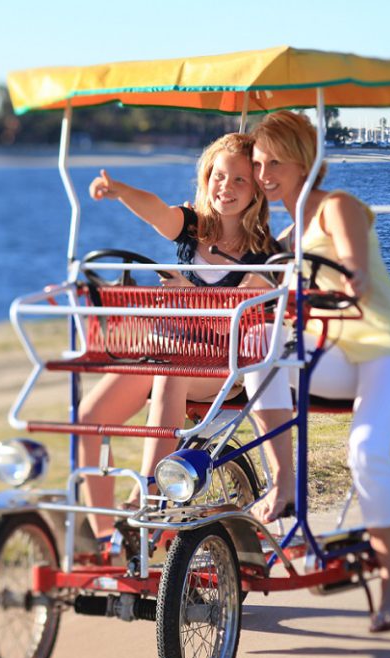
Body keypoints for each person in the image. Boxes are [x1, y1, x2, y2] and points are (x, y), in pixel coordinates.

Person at [245, 111, 390, 633]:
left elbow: (356, 268)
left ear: (305, 161)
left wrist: (350, 283)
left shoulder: (336, 208)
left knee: (365, 451)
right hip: (331, 355)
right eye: (258, 163)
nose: (263, 174)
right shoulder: (286, 235)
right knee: (258, 342)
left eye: (275, 162)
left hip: (384, 350)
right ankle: (284, 482)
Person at [79, 132, 277, 544]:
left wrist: (187, 295)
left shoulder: (264, 254)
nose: (227, 187)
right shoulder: (192, 227)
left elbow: (237, 317)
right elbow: (156, 211)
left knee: (172, 371)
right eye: (219, 176)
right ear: (206, 178)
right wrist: (119, 190)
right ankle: (103, 534)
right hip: (166, 352)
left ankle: (147, 499)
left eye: (240, 180)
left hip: (223, 364)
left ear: (258, 188)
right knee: (89, 416)